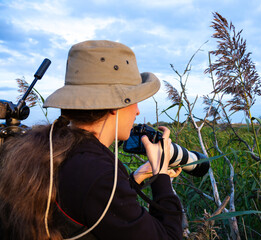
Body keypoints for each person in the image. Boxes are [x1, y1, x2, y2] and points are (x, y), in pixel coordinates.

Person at [0, 40, 183, 239]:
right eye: (134, 100)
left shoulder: (50, 145)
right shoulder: (99, 173)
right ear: (116, 104)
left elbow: (86, 205)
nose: (138, 111)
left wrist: (135, 179)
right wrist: (161, 176)